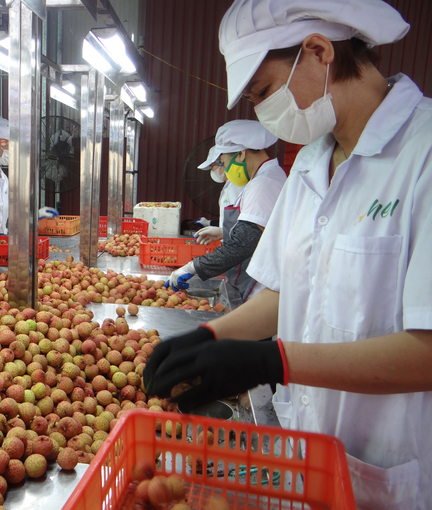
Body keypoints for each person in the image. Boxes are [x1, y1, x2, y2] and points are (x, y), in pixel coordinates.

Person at [145, 0, 432, 507]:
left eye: (263, 92)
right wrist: (208, 337)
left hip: (394, 469)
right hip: (306, 453)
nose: (262, 111)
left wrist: (273, 359)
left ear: (318, 51)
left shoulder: (422, 155)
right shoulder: (308, 167)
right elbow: (283, 290)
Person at [165, 120, 286, 307]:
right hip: (254, 284)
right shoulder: (266, 178)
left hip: (260, 288)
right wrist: (225, 232)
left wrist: (194, 266)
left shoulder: (264, 184)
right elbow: (261, 232)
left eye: (224, 161)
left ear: (241, 154)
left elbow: (243, 243)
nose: (225, 168)